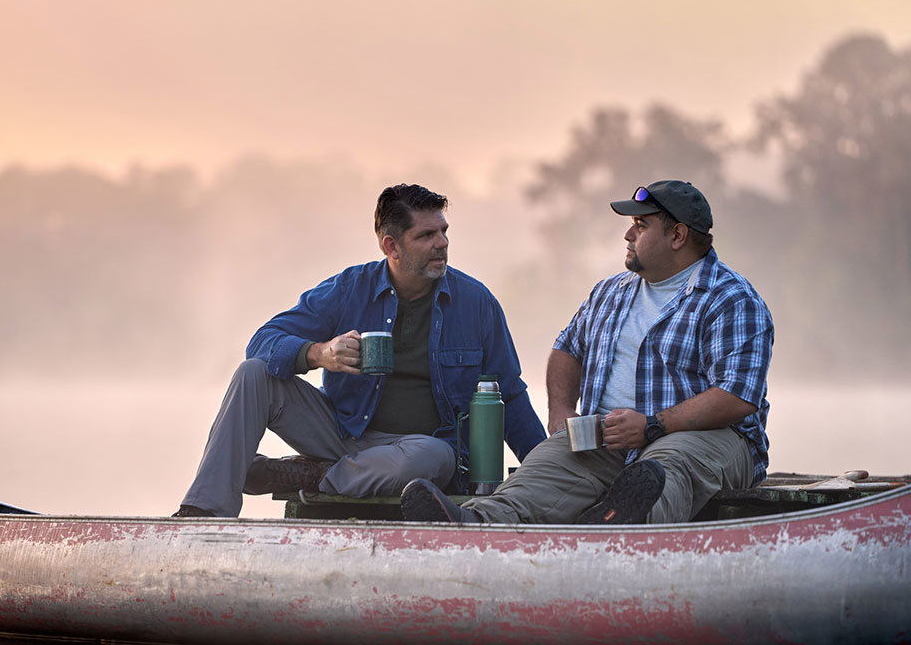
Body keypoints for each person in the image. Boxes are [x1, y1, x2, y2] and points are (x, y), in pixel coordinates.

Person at [401, 180, 773, 525]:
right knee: (547, 462)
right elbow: (567, 350)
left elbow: (737, 395)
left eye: (641, 226)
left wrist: (652, 426)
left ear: (677, 235)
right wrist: (561, 411)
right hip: (608, 436)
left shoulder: (732, 299)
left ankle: (625, 528)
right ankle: (476, 524)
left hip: (708, 438)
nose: (628, 234)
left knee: (670, 463)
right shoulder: (611, 292)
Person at [174, 183, 546, 518]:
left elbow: (509, 395)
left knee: (435, 455)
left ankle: (310, 474)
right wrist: (319, 353)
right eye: (427, 234)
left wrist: (547, 473)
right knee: (253, 373)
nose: (442, 243)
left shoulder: (476, 302)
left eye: (444, 231)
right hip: (340, 433)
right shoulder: (348, 288)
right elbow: (262, 342)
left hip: (416, 453)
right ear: (391, 246)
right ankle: (204, 511)